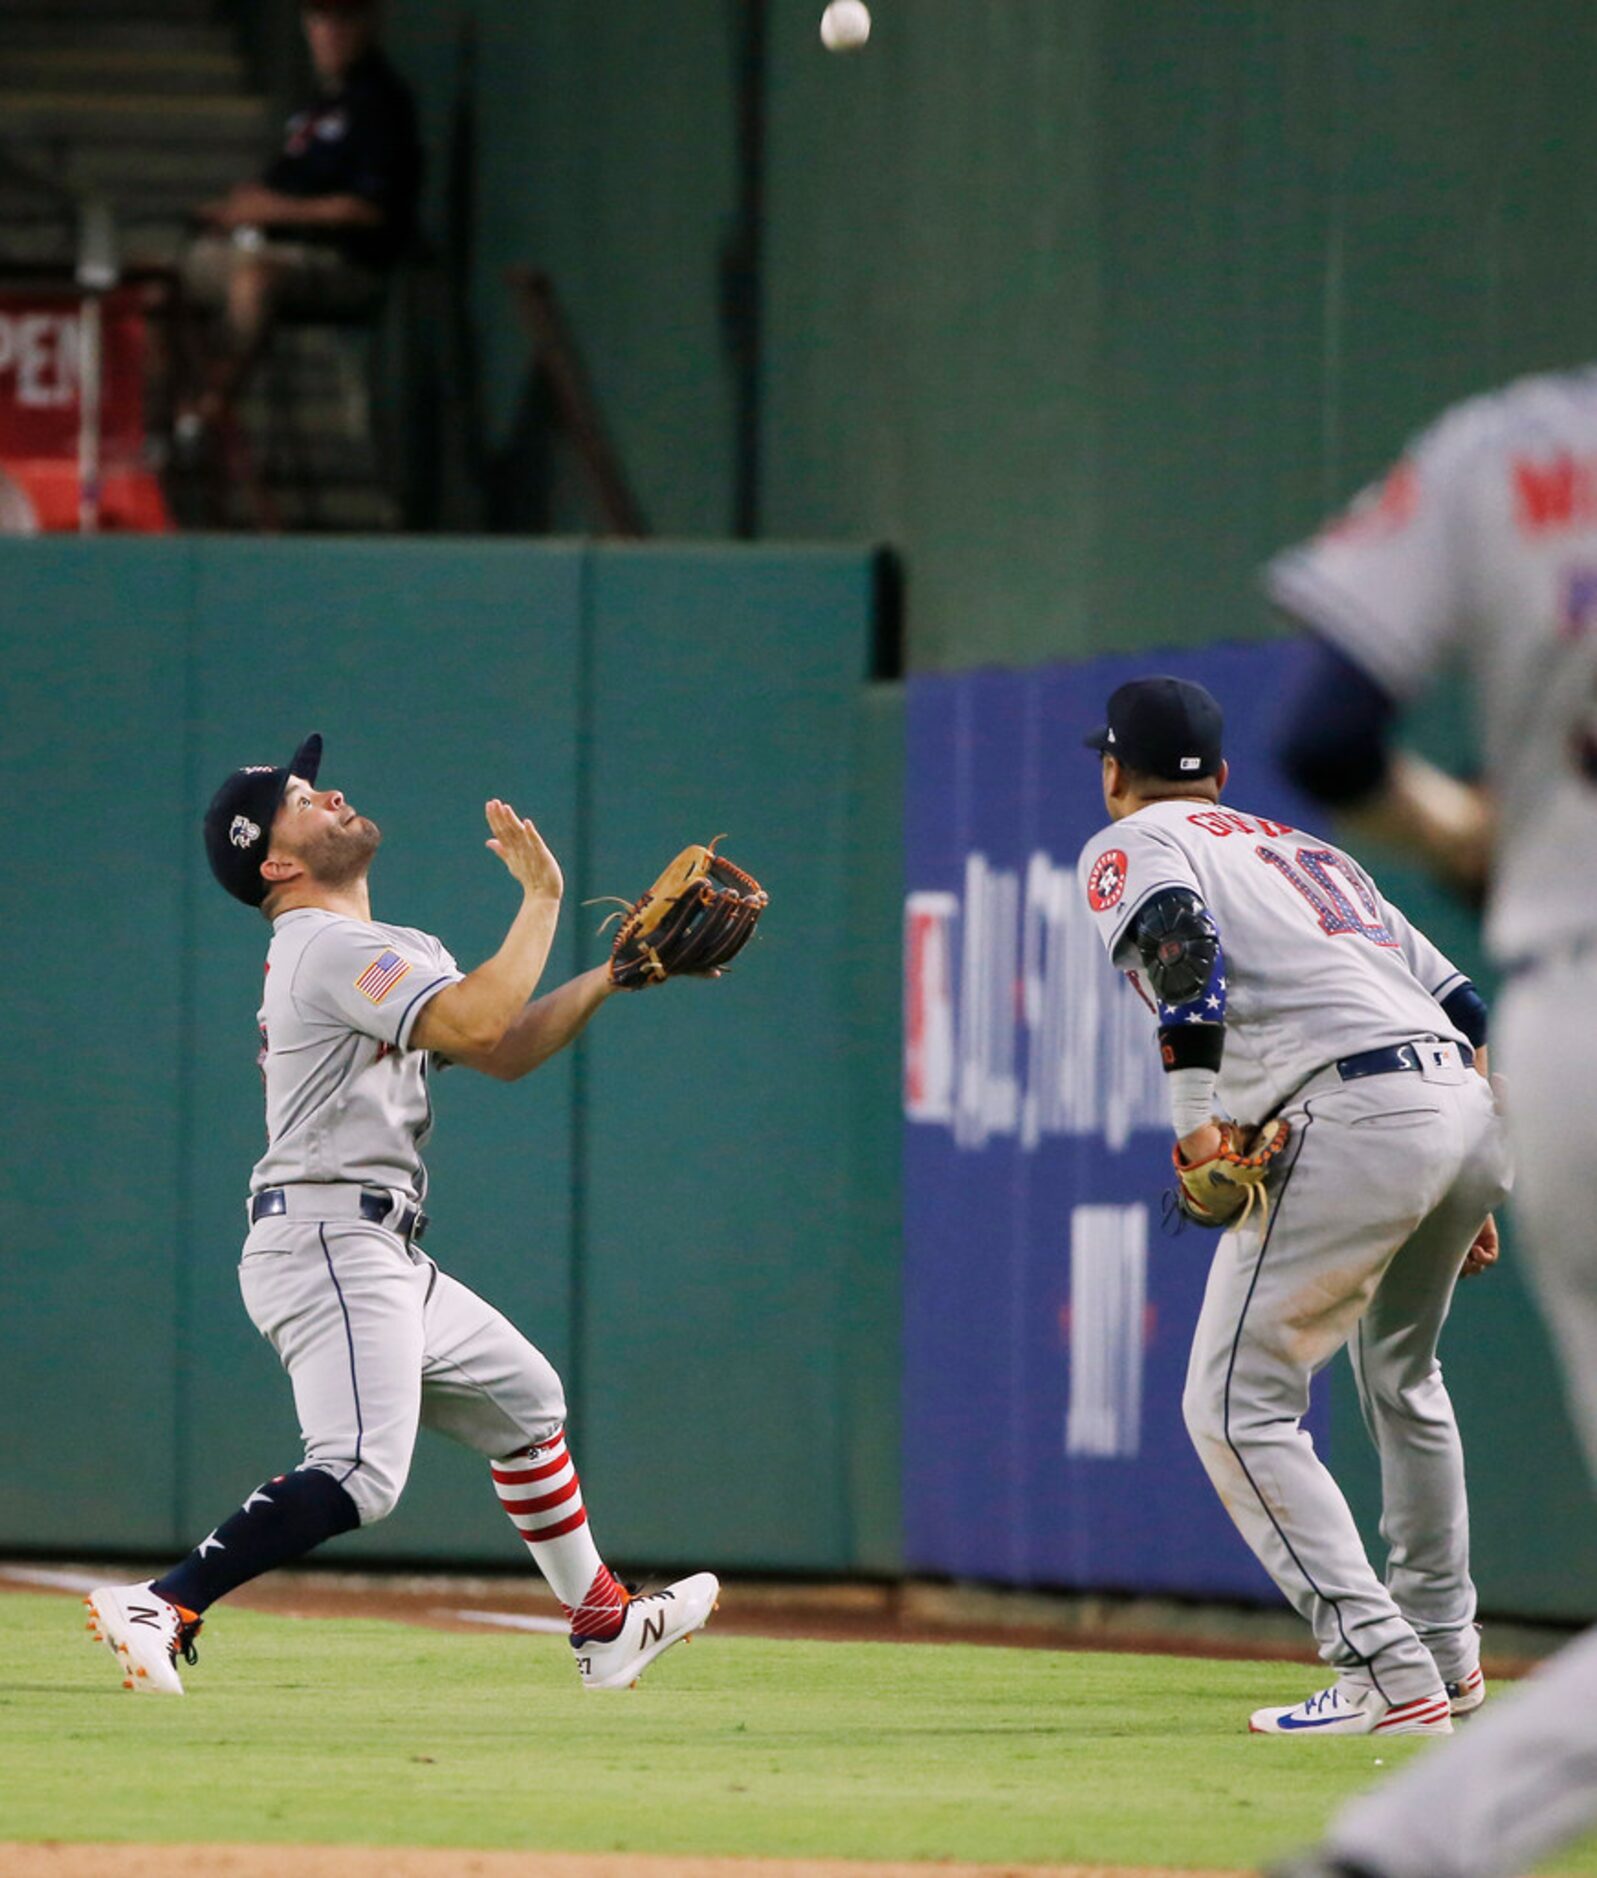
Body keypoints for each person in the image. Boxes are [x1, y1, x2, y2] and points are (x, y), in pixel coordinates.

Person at [84, 734, 718, 1695]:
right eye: (300, 797)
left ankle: (604, 1623)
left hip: (373, 1243)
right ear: (278, 860)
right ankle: (163, 1603)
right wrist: (542, 899)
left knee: (527, 1402)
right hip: (329, 1236)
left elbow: (497, 1049)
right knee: (358, 1474)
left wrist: (610, 978)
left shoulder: (383, 950)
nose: (329, 791)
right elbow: (477, 1021)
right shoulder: (324, 946)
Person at [1265, 371, 1597, 1875]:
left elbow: (1331, 737)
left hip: (1565, 998)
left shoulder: (1510, 442)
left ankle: (1400, 1837)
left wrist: (1474, 831)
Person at [1076, 675, 1509, 1737]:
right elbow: (1467, 1003)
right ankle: (1447, 1657)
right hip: (1459, 1100)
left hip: (1355, 1112)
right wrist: (1466, 1166)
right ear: (1221, 777)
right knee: (1403, 1376)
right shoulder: (1308, 853)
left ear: (1113, 772)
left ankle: (1385, 1672)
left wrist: (1192, 1128)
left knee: (1233, 1405)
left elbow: (1181, 946)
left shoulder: (1133, 841)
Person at [179, 0, 422, 436]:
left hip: (345, 265)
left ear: (370, 22)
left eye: (341, 19)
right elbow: (280, 187)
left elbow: (366, 210)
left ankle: (210, 412)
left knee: (255, 280)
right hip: (273, 243)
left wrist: (271, 210)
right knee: (160, 278)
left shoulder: (381, 103)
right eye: (318, 20)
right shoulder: (320, 105)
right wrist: (239, 209)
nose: (328, 32)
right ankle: (163, 416)